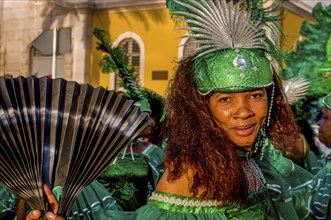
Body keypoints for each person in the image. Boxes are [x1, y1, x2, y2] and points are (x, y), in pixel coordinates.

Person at [135, 0, 331, 219]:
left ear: (272, 98)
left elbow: (305, 202)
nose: (244, 111)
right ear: (201, 109)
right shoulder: (194, 176)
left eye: (255, 96)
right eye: (226, 99)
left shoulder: (252, 159)